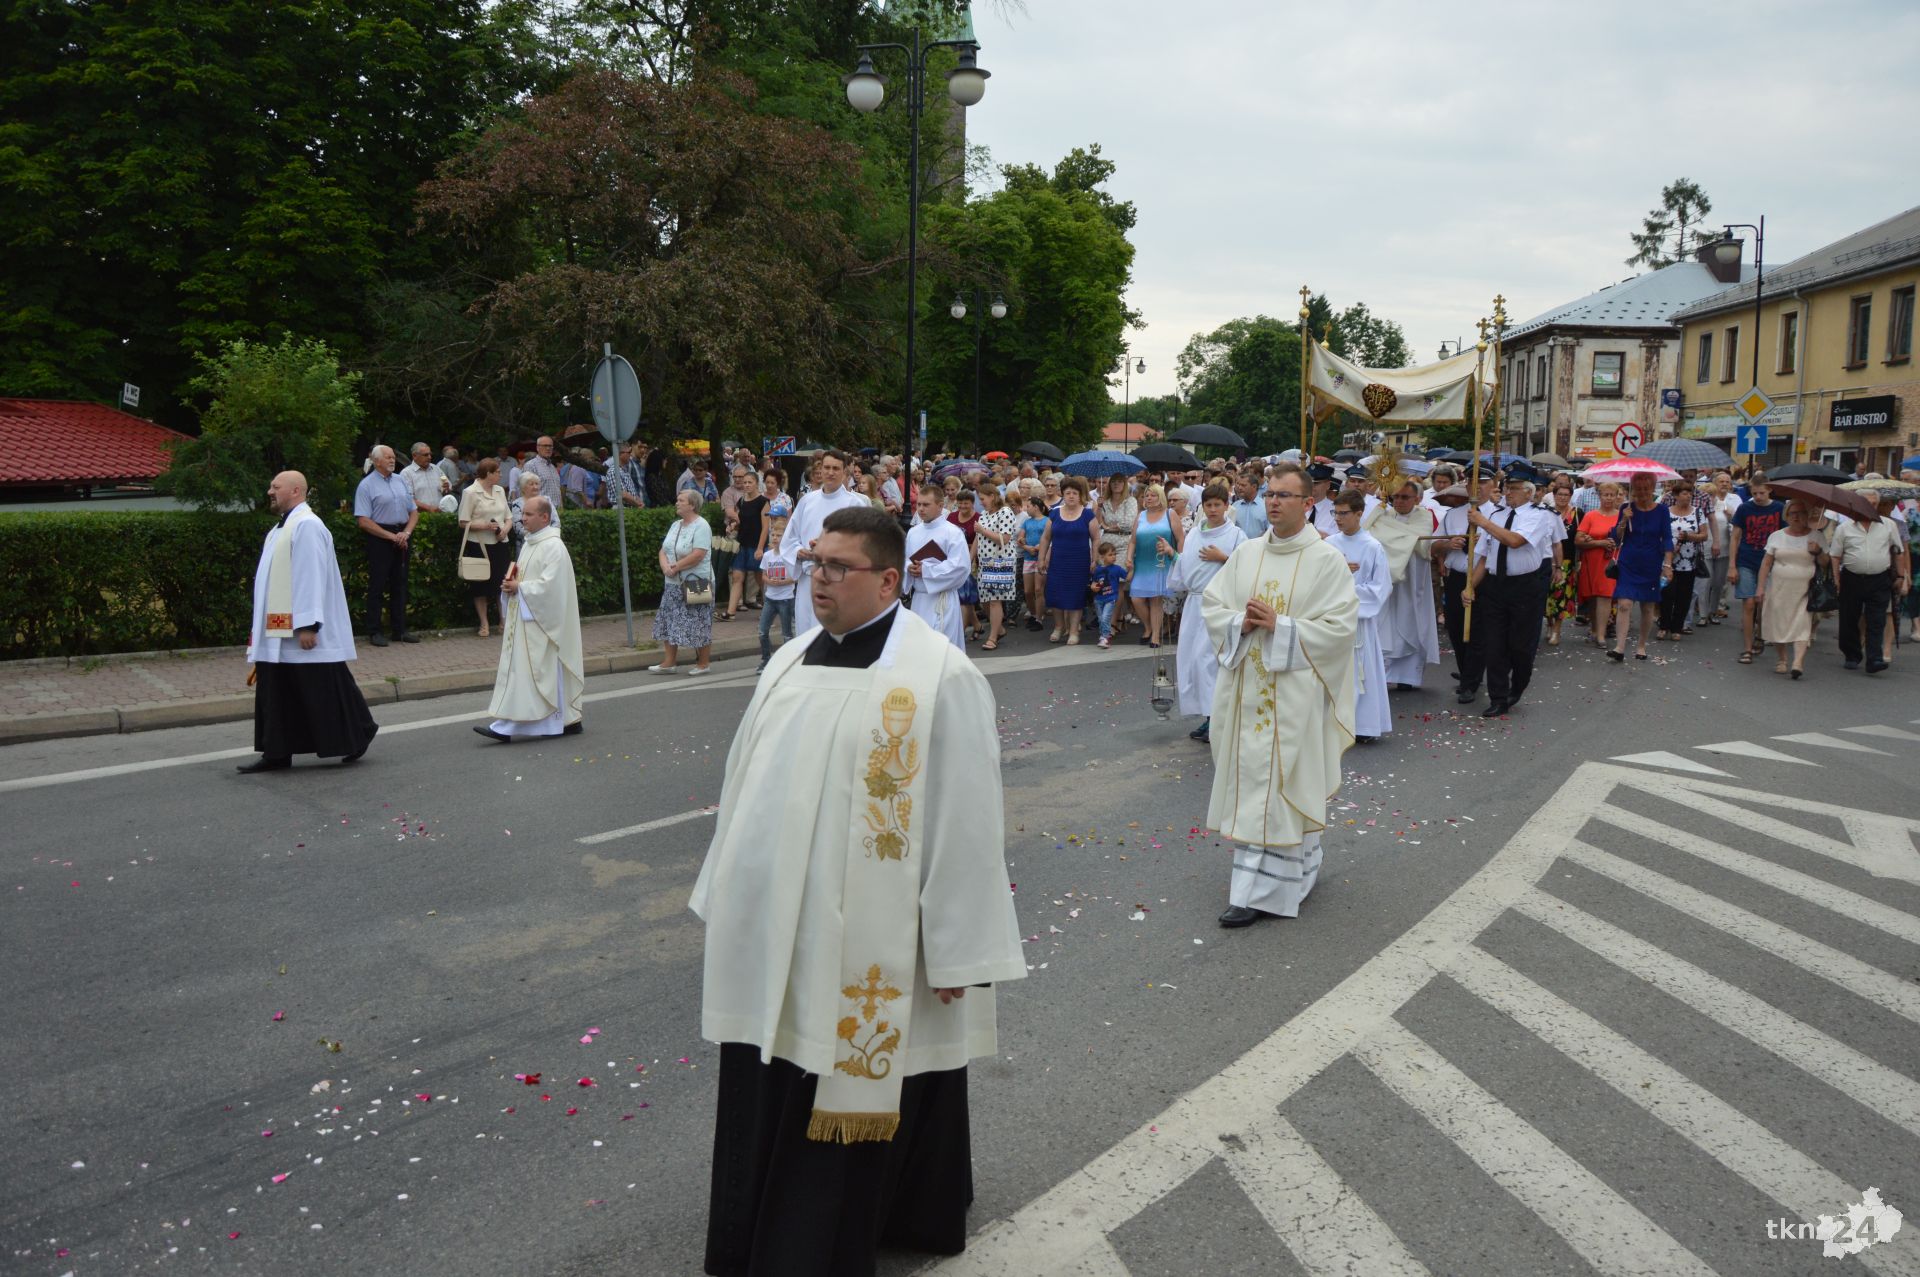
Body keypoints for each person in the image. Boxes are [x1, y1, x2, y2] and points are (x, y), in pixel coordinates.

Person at [690, 505, 1025, 1277]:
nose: (819, 580)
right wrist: (726, 888)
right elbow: (743, 784)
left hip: (860, 933)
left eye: (838, 567)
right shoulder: (789, 661)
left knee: (855, 1071)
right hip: (775, 920)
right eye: (814, 563)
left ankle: (816, 1243)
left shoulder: (940, 678)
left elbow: (967, 819)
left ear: (887, 579)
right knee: (772, 1064)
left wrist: (957, 950)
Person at [1201, 464, 1358, 928]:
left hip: (1296, 695)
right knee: (1257, 786)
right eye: (1270, 494)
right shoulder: (1246, 555)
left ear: (1308, 503)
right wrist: (1241, 623)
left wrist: (1281, 626)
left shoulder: (1326, 560)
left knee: (1284, 786)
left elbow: (1340, 629)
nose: (1273, 502)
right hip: (1248, 690)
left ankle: (1262, 890)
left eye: (1285, 495)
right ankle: (1280, 876)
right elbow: (1214, 605)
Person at [239, 471, 378, 773]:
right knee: (279, 686)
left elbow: (309, 574)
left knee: (322, 684)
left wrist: (308, 624)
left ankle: (358, 732)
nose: (269, 491)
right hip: (278, 627)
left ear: (295, 490)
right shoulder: (283, 527)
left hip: (298, 626)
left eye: (275, 487)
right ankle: (276, 751)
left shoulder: (308, 526)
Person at [475, 496, 585, 741]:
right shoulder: (530, 543)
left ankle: (516, 726)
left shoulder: (553, 546)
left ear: (544, 517)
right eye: (522, 514)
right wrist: (511, 584)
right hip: (527, 619)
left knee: (538, 673)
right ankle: (564, 720)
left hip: (543, 624)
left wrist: (520, 588)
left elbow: (552, 587)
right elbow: (524, 575)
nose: (522, 518)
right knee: (528, 674)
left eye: (528, 514)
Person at [1462, 468, 1560, 716]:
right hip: (1495, 586)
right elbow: (1484, 555)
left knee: (1521, 646)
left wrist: (1483, 521)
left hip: (1524, 587)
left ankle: (1518, 684)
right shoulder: (1496, 514)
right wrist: (1471, 585)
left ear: (1528, 492)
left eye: (1514, 489)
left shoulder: (1538, 516)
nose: (1508, 493)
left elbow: (1515, 541)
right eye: (1507, 488)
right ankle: (1498, 696)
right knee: (1494, 643)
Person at [1174, 481, 1246, 739]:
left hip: (1219, 604)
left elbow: (1248, 569)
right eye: (1208, 505)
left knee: (1209, 661)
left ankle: (1217, 719)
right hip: (1194, 604)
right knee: (1191, 660)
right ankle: (1207, 715)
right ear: (1202, 506)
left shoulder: (1236, 535)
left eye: (1218, 505)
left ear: (1227, 506)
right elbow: (1184, 565)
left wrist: (1224, 558)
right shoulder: (1194, 533)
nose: (1213, 509)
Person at [779, 450, 869, 635]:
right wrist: (799, 551)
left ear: (844, 472)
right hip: (808, 580)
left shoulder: (855, 505)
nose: (830, 472)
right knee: (807, 635)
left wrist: (829, 549)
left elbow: (864, 546)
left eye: (836, 468)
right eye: (826, 467)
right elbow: (790, 538)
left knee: (834, 636)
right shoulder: (807, 501)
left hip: (839, 581)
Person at [1328, 491, 1392, 742]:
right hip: (1332, 618)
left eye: (1344, 513)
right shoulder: (1330, 544)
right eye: (1335, 513)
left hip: (1358, 621)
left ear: (1358, 514)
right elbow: (1317, 581)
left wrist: (1346, 586)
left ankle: (1363, 726)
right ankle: (1334, 722)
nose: (1338, 519)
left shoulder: (1373, 547)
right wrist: (1338, 575)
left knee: (1361, 672)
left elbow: (1380, 588)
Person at [1365, 478, 1439, 689]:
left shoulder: (1424, 516)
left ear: (1417, 498)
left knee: (1410, 621)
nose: (1398, 501)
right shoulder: (1382, 514)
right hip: (1385, 578)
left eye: (1404, 497)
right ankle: (1383, 673)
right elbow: (1369, 537)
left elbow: (1421, 546)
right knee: (1385, 624)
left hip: (1412, 578)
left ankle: (1408, 677)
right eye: (1395, 496)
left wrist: (1395, 540)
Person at [1829, 497, 1908, 673]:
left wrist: (1901, 575)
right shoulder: (1845, 528)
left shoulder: (1888, 525)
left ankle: (1874, 658)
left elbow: (1898, 551)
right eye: (1866, 502)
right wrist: (1836, 578)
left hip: (1879, 579)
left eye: (1873, 503)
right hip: (1852, 578)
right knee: (1849, 618)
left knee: (1877, 620)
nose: (1870, 507)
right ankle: (1852, 654)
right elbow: (1835, 555)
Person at [352, 445, 419, 647]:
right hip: (380, 537)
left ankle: (399, 630)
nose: (392, 460)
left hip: (402, 535)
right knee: (378, 585)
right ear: (377, 460)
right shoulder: (366, 485)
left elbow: (413, 511)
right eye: (388, 457)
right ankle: (374, 631)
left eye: (393, 457)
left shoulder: (400, 481)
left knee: (400, 583)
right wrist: (391, 536)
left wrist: (406, 533)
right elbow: (363, 520)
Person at [1754, 499, 1827, 679]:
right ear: (1786, 516)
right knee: (1779, 623)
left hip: (1804, 589)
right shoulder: (1777, 536)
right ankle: (1782, 659)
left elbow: (1825, 564)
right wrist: (1760, 587)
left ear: (1807, 516)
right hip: (1779, 587)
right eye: (1793, 513)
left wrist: (1818, 552)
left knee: (1802, 623)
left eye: (1801, 513)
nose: (1796, 517)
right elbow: (1766, 564)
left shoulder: (1816, 536)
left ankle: (1798, 662)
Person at [1605, 472, 1674, 662]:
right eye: (1638, 489)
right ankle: (1619, 647)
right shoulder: (1626, 508)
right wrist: (1624, 520)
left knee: (1647, 605)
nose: (1642, 493)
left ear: (1653, 489)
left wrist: (1667, 565)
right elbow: (1617, 538)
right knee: (1624, 604)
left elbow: (1667, 538)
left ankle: (1641, 645)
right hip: (1629, 561)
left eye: (1646, 489)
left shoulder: (1662, 510)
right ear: (1633, 490)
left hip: (1652, 561)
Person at [1430, 474, 1484, 703]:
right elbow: (1434, 545)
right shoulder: (1453, 514)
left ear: (1493, 485)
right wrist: (1447, 544)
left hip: (1484, 577)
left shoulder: (1498, 514)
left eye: (1482, 482)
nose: (1476, 487)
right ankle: (1467, 671)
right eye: (1472, 482)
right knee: (1455, 627)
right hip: (1456, 576)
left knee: (1478, 631)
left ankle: (1470, 681)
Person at [901, 485, 972, 649]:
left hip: (943, 599)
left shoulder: (952, 533)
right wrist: (909, 568)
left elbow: (960, 566)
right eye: (919, 504)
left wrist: (926, 570)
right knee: (920, 648)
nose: (921, 509)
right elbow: (904, 559)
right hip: (919, 599)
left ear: (940, 506)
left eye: (926, 505)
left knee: (942, 648)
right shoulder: (913, 532)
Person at [654, 490, 716, 676]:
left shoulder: (702, 526)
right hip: (672, 582)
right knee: (668, 619)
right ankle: (669, 662)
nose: (677, 503)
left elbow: (698, 554)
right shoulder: (676, 525)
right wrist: (666, 566)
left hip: (697, 581)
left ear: (692, 505)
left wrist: (675, 566)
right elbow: (663, 549)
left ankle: (703, 664)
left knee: (700, 620)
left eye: (681, 500)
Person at [1729, 476, 1784, 663]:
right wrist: (1732, 565)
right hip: (1747, 559)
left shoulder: (1778, 509)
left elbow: (1785, 536)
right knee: (1749, 603)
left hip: (1770, 562)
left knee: (1764, 603)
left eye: (1761, 493)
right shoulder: (1745, 508)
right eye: (1754, 493)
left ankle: (1761, 633)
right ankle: (1747, 647)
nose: (1758, 497)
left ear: (1769, 490)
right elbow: (1735, 537)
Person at [1038, 476, 1098, 644]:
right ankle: (1058, 627)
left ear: (1080, 495)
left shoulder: (1087, 514)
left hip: (1079, 562)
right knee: (1055, 594)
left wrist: (1095, 559)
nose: (1071, 496)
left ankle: (1073, 631)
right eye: (1068, 493)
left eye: (1074, 493)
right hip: (1058, 561)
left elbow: (1096, 539)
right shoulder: (1055, 513)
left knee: (1075, 596)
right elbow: (1045, 538)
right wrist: (1041, 559)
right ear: (1063, 494)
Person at [457, 458, 513, 637]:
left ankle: (503, 621)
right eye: (498, 472)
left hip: (500, 544)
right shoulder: (470, 492)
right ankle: (484, 623)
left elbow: (508, 517)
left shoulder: (499, 490)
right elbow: (463, 522)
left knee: (502, 584)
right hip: (479, 545)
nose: (501, 474)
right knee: (480, 586)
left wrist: (505, 529)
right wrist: (485, 526)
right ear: (488, 473)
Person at [1127, 483, 1182, 647]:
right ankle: (1148, 627)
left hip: (1161, 561)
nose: (1149, 498)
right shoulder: (1141, 516)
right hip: (1142, 562)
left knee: (1155, 599)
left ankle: (1155, 636)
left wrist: (1178, 558)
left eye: (1153, 495)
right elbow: (1132, 541)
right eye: (1146, 495)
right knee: (1136, 598)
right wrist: (1129, 557)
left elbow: (1180, 538)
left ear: (1161, 498)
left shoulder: (1169, 514)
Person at [1575, 483, 1624, 651]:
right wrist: (1599, 542)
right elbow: (1578, 539)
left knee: (1605, 596)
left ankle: (1601, 635)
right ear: (1599, 496)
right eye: (1606, 495)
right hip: (1592, 561)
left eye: (1612, 495)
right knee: (1593, 597)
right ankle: (1595, 629)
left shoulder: (1622, 516)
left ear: (1617, 496)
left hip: (1611, 562)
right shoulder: (1590, 516)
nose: (1609, 498)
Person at [1658, 479, 1708, 641]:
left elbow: (1704, 535)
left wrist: (1689, 536)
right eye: (1685, 493)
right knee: (1667, 593)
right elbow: (1659, 534)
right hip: (1668, 559)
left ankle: (1677, 627)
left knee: (1684, 595)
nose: (1688, 496)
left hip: (1689, 560)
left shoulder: (1698, 512)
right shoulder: (1665, 511)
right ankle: (1664, 625)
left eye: (1690, 493)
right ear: (1676, 495)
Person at [972, 484, 1021, 650]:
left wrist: (983, 530)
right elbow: (977, 539)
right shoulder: (984, 514)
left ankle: (992, 637)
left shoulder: (1005, 512)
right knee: (985, 599)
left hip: (1001, 560)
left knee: (994, 600)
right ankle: (998, 629)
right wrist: (970, 558)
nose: (981, 502)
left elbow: (1005, 538)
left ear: (993, 496)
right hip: (985, 562)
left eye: (983, 499)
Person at [1097, 474, 1138, 633]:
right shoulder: (1105, 502)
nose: (1116, 484)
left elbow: (1128, 523)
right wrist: (1099, 509)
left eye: (1120, 481)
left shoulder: (1130, 501)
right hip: (1106, 543)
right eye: (1113, 482)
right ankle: (1117, 617)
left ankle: (1111, 623)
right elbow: (1098, 523)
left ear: (1125, 484)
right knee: (1106, 582)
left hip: (1123, 543)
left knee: (1118, 583)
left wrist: (1109, 527)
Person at [756, 512, 797, 673]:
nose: (775, 538)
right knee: (762, 631)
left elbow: (795, 577)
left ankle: (788, 663)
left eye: (779, 535)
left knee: (787, 633)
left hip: (786, 599)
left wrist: (784, 581)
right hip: (770, 598)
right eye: (773, 534)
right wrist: (768, 581)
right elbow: (764, 574)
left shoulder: (790, 555)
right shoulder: (767, 556)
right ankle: (766, 659)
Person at [726, 468, 767, 621]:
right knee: (737, 577)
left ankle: (768, 609)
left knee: (761, 580)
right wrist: (732, 526)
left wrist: (760, 548)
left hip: (756, 545)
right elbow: (740, 521)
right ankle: (730, 612)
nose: (747, 485)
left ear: (757, 484)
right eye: (745, 483)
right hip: (742, 545)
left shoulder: (763, 502)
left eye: (750, 482)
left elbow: (765, 528)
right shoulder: (742, 501)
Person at [1543, 479, 1579, 646]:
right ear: (1554, 495)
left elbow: (1579, 537)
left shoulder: (1577, 514)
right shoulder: (1545, 513)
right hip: (1545, 559)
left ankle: (1557, 630)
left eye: (1566, 495)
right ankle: (1549, 624)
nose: (1563, 498)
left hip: (1566, 561)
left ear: (1571, 496)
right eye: (1560, 494)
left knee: (1560, 598)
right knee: (1546, 596)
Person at [1019, 495, 1050, 630]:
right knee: (1027, 591)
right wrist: (1027, 547)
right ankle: (1033, 614)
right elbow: (1020, 538)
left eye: (1029, 506)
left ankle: (1039, 618)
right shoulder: (1026, 522)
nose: (1027, 508)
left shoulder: (1047, 521)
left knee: (1038, 589)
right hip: (1028, 557)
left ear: (1036, 507)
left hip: (1041, 558)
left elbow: (1049, 539)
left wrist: (1038, 548)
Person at [1090, 543, 1128, 649]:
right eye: (1110, 555)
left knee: (1105, 617)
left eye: (1115, 554)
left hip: (1110, 598)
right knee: (1101, 619)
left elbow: (1127, 577)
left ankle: (1105, 637)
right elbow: (1094, 582)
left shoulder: (1117, 569)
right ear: (1102, 557)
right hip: (1098, 599)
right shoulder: (1098, 570)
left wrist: (1131, 569)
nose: (1114, 557)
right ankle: (1103, 636)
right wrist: (1093, 586)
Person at [401, 442, 449, 513]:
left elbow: (446, 490)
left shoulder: (436, 469)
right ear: (414, 456)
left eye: (430, 454)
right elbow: (408, 499)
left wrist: (446, 489)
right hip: (420, 517)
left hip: (440, 515)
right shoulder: (406, 473)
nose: (429, 457)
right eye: (426, 455)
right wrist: (428, 508)